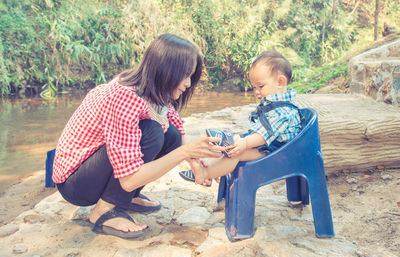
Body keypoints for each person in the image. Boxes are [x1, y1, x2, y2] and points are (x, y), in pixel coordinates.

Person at [52, 33, 228, 239]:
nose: (189, 83)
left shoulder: (151, 90)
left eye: (191, 76)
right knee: (152, 133)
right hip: (76, 183)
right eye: (185, 75)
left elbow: (177, 128)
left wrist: (197, 162)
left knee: (169, 134)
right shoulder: (125, 98)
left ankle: (126, 199)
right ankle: (103, 210)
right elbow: (127, 179)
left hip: (95, 171)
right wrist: (184, 153)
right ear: (166, 70)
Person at [179, 50, 303, 185]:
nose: (256, 92)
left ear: (280, 82)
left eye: (260, 86)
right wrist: (241, 141)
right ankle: (208, 167)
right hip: (270, 148)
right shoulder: (275, 105)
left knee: (236, 152)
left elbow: (264, 135)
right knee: (232, 146)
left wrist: (244, 143)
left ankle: (205, 174)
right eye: (254, 87)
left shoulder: (284, 111)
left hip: (280, 154)